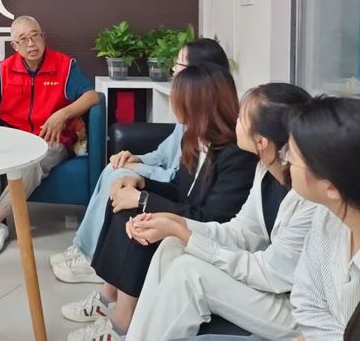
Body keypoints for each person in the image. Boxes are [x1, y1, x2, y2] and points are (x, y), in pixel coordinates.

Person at [64, 63, 257, 341]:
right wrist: (140, 183)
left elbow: (210, 218)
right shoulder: (194, 138)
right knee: (121, 199)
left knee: (141, 221)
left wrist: (144, 200)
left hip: (206, 235)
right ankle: (109, 297)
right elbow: (181, 191)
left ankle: (122, 324)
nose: (174, 103)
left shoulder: (236, 157)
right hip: (190, 218)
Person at [122, 83, 316, 340]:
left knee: (189, 273)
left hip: (296, 311)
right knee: (171, 246)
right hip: (274, 284)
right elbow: (243, 232)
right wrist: (177, 224)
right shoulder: (265, 170)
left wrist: (188, 236)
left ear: (261, 141)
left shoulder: (308, 200)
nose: (236, 120)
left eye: (242, 117)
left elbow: (270, 274)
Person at [52, 38, 230, 284]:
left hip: (175, 188)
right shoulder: (189, 113)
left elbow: (180, 178)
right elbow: (162, 154)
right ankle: (84, 248)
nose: (173, 70)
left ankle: (91, 258)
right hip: (168, 178)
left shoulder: (211, 128)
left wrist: (137, 172)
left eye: (179, 65)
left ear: (199, 74)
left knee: (119, 175)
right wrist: (135, 158)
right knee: (116, 168)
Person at [0, 15, 100, 256]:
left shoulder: (65, 65)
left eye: (35, 36)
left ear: (43, 37)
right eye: (23, 39)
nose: (31, 43)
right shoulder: (6, 68)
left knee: (31, 163)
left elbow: (92, 96)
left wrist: (62, 114)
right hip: (13, 138)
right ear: (14, 46)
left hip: (51, 139)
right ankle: (1, 226)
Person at [287, 97, 360, 340]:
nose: (287, 163)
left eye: (292, 157)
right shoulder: (327, 216)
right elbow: (306, 305)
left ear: (332, 187)